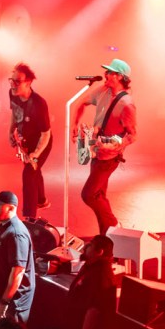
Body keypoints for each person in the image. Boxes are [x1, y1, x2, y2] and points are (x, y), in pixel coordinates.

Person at [72, 58, 137, 235]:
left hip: (109, 157)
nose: (105, 75)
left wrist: (116, 145)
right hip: (97, 152)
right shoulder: (103, 91)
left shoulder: (127, 104)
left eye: (110, 72)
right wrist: (75, 124)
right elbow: (81, 103)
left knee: (89, 194)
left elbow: (132, 135)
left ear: (120, 77)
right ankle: (107, 237)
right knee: (99, 196)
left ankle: (113, 224)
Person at [8, 62, 52, 218]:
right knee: (34, 171)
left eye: (17, 81)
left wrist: (36, 154)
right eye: (11, 80)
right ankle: (41, 200)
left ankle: (29, 218)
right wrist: (11, 131)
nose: (13, 84)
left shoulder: (39, 103)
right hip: (26, 141)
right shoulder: (12, 93)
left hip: (41, 143)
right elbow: (14, 113)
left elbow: (46, 134)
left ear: (28, 83)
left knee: (29, 173)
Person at [0, 191, 36, 322]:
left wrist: (4, 302)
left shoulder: (16, 233)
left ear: (11, 208)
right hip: (0, 293)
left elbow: (18, 272)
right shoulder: (3, 226)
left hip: (13, 303)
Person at [65, 234, 117, 329]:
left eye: (90, 245)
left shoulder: (102, 275)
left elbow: (93, 311)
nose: (85, 247)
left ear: (99, 252)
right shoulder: (90, 266)